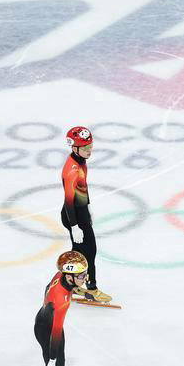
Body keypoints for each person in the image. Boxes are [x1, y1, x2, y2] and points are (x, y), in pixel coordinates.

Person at [60, 126, 111, 302]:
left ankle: (69, 283)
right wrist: (75, 226)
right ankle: (92, 288)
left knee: (79, 253)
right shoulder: (72, 169)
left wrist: (87, 207)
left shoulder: (81, 161)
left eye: (91, 146)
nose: (90, 150)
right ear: (74, 148)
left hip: (80, 212)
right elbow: (68, 201)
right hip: (73, 215)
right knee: (89, 252)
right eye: (86, 148)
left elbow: (83, 187)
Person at [34, 251, 89, 366]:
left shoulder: (60, 276)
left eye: (85, 274)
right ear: (70, 277)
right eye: (81, 275)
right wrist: (52, 360)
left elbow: (48, 289)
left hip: (43, 321)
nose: (84, 278)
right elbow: (56, 331)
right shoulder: (61, 300)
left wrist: (83, 292)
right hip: (48, 331)